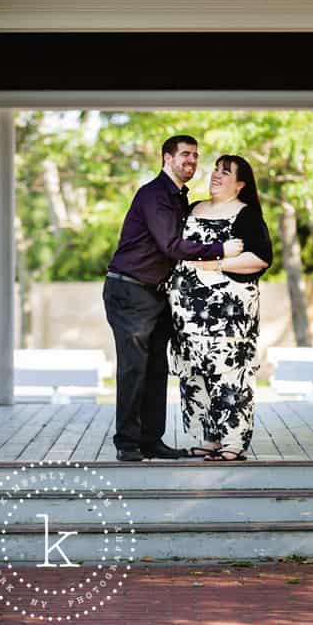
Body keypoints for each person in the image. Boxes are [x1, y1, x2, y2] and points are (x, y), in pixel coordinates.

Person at [104, 135, 243, 462]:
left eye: (195, 156)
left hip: (155, 293)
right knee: (133, 369)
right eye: (184, 154)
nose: (191, 161)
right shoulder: (154, 195)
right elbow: (172, 246)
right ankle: (127, 443)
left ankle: (151, 441)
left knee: (155, 369)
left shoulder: (179, 198)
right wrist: (221, 250)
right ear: (166, 158)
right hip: (129, 289)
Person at [168, 154, 272, 462]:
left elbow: (261, 258)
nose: (216, 174)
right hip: (186, 314)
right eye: (216, 169)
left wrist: (214, 263)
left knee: (229, 376)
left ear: (240, 184)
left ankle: (233, 443)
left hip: (228, 316)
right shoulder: (193, 208)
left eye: (226, 172)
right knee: (194, 376)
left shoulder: (247, 215)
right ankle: (208, 439)